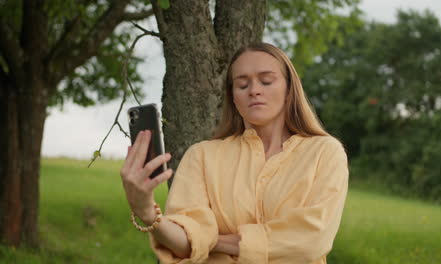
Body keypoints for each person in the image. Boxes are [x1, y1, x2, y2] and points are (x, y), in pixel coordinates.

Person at [120, 42, 349, 264]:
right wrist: (147, 212)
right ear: (233, 97)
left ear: (290, 89)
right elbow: (184, 238)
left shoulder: (324, 152)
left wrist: (210, 242)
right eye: (242, 85)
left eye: (266, 81)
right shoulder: (202, 155)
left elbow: (310, 242)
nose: (254, 91)